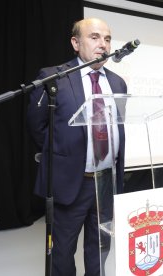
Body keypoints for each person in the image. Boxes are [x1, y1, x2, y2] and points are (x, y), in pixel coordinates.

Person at [27, 18, 127, 276]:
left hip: (106, 181)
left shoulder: (117, 83)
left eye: (107, 39)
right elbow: (37, 127)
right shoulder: (54, 78)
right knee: (62, 252)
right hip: (72, 181)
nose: (102, 45)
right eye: (94, 37)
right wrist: (64, 156)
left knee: (100, 248)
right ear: (75, 42)